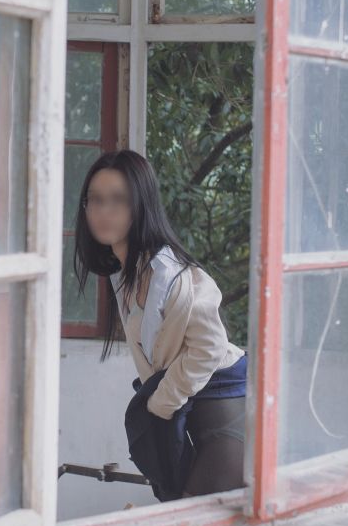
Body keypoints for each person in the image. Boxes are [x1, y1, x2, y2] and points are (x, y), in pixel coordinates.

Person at [70, 149, 248, 498]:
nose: (104, 211)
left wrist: (159, 403)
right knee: (183, 517)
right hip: (193, 414)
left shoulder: (173, 274)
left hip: (224, 412)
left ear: (141, 205)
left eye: (118, 200)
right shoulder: (126, 276)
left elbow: (210, 348)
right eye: (96, 200)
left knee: (192, 523)